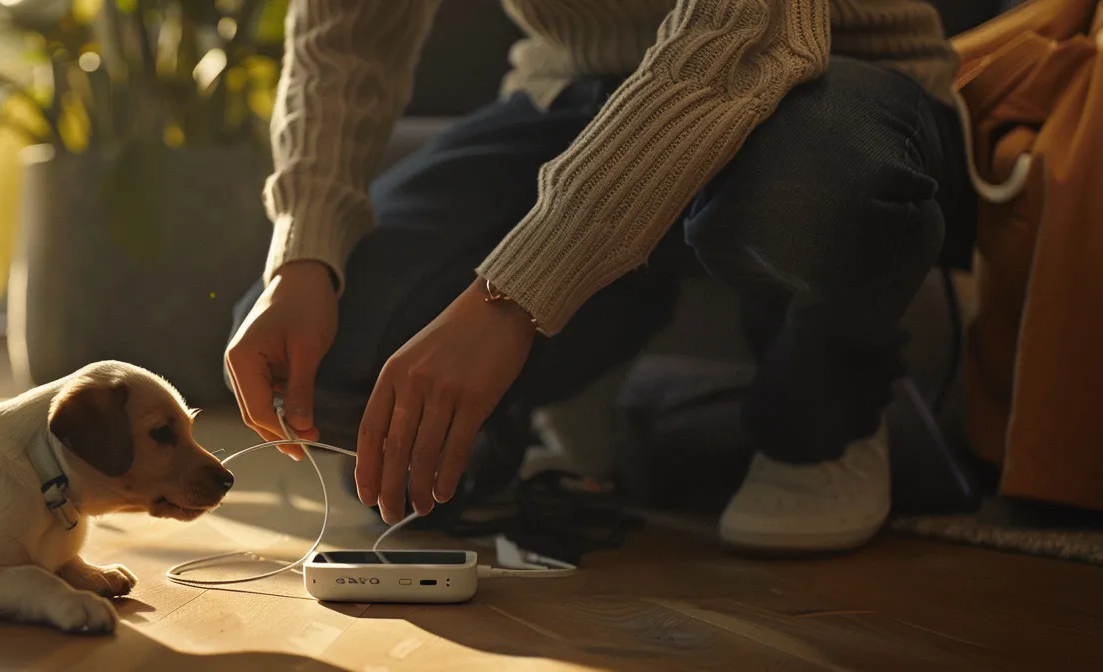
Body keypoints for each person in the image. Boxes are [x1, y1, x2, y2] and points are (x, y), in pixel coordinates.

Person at [225, 0, 975, 554]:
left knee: (811, 199)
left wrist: (513, 296)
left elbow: (742, 39)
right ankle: (573, 380)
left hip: (824, 83)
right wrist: (302, 255)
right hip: (576, 91)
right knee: (309, 360)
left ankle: (822, 417)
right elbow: (343, 40)